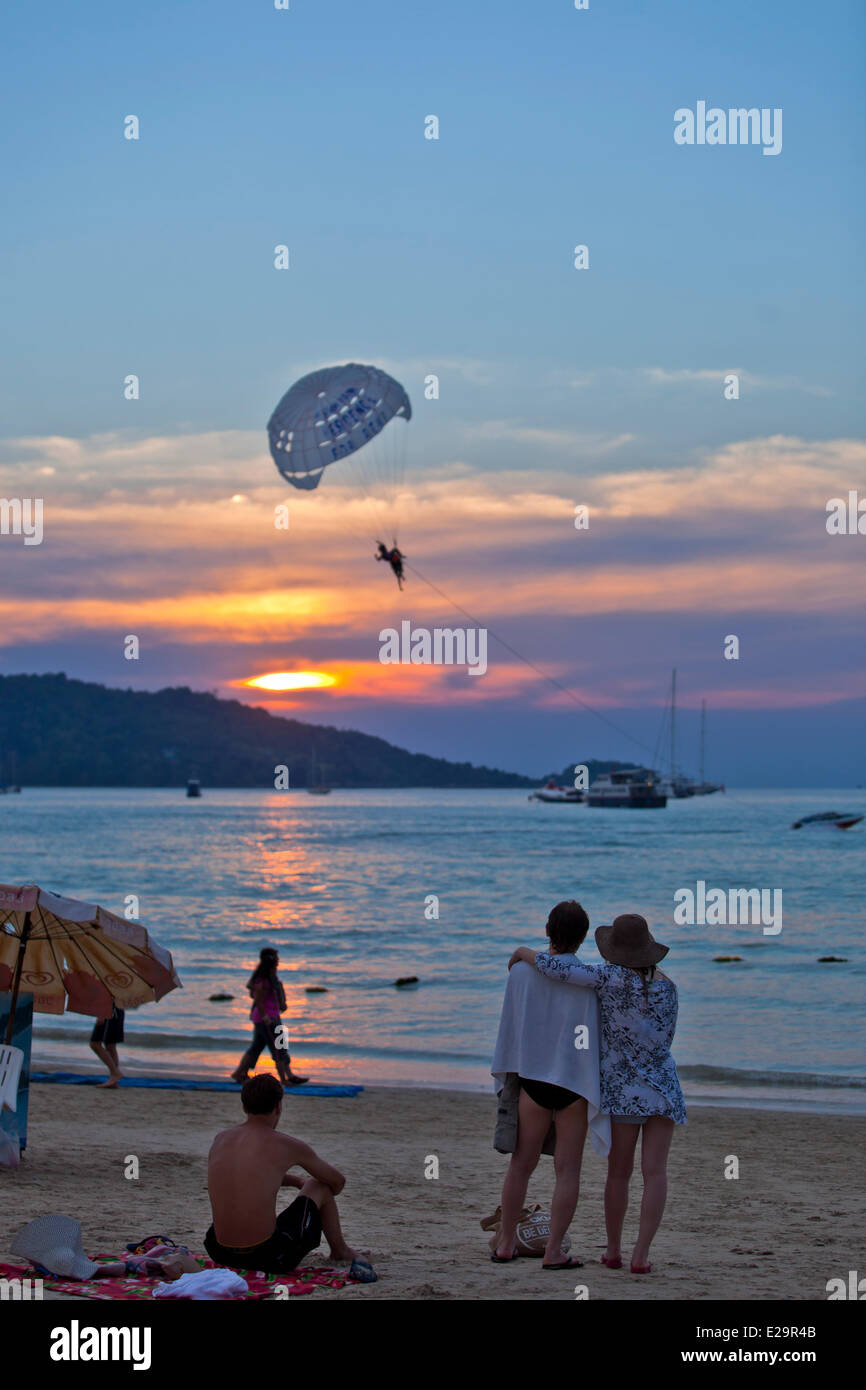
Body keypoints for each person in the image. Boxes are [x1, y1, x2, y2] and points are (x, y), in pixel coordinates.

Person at [510, 912, 686, 1275]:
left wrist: (522, 952)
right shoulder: (669, 987)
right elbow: (664, 1040)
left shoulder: (608, 978)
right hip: (665, 1090)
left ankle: (615, 1252)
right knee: (655, 1174)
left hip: (625, 1092)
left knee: (618, 1175)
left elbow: (554, 968)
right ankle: (641, 1255)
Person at [491, 901, 610, 1270]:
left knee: (520, 1165)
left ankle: (507, 1243)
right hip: (573, 1083)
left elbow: (512, 1027)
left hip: (534, 1080)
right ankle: (553, 1250)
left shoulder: (520, 974)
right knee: (568, 1170)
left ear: (547, 930)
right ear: (583, 937)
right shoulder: (589, 980)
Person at [204, 1074, 376, 1281]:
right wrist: (308, 1185)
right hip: (268, 1257)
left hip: (219, 1251)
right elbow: (337, 1183)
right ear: (279, 1107)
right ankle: (340, 1250)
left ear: (244, 1107)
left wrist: (296, 1181)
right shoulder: (286, 1144)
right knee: (318, 1185)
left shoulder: (221, 1139)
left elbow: (248, 1174)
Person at [231, 948, 308, 1087]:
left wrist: (281, 1003)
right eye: (276, 959)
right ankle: (284, 1079)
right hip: (266, 1019)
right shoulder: (262, 979)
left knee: (259, 1047)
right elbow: (258, 1000)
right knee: (278, 1048)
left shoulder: (272, 977)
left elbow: (273, 993)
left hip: (272, 1016)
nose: (278, 962)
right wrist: (265, 1016)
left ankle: (240, 1073)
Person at [89, 1005, 125, 1088]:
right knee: (110, 1046)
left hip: (110, 1010)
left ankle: (115, 1073)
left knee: (95, 1044)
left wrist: (101, 1014)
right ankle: (114, 1080)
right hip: (114, 1009)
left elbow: (107, 993)